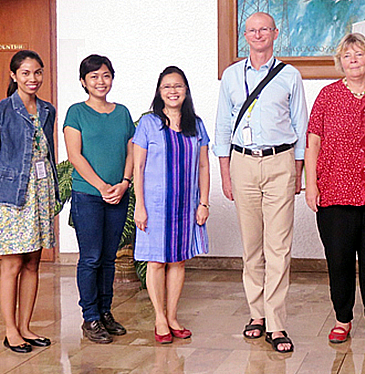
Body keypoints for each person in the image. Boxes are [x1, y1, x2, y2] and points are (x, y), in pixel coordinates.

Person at [214, 12, 308, 353]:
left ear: (274, 34)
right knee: (252, 245)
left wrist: (298, 172)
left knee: (278, 247)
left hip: (281, 162)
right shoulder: (231, 75)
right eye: (252, 30)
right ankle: (257, 314)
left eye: (264, 29)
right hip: (242, 163)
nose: (258, 34)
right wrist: (225, 172)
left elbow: (301, 125)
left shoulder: (290, 76)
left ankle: (277, 322)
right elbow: (223, 125)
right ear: (245, 35)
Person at [304, 33, 365, 344]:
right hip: (334, 194)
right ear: (340, 62)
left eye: (358, 54)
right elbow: (313, 140)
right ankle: (342, 319)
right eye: (347, 56)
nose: (353, 60)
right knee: (339, 261)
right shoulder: (327, 95)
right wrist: (310, 185)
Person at [132, 66, 210, 344]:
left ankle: (173, 316)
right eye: (167, 87)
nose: (173, 91)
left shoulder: (196, 124)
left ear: (186, 90)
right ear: (159, 92)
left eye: (178, 86)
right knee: (156, 261)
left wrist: (203, 203)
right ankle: (159, 319)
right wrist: (139, 205)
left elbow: (203, 165)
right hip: (154, 205)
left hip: (185, 204)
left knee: (178, 260)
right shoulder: (148, 124)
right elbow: (138, 167)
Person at [64, 54, 134, 344]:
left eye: (105, 75)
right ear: (83, 81)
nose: (100, 81)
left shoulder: (123, 113)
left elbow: (132, 152)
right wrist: (102, 186)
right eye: (93, 76)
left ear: (112, 78)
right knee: (91, 258)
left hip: (118, 194)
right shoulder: (76, 112)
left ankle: (105, 312)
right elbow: (75, 155)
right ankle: (90, 317)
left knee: (108, 259)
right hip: (88, 196)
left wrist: (123, 183)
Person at [0, 50, 57, 353]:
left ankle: (25, 326)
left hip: (42, 189)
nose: (32, 78)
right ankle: (10, 331)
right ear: (13, 76)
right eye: (25, 73)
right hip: (12, 194)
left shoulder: (47, 109)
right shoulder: (3, 110)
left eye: (37, 72)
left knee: (33, 261)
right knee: (12, 264)